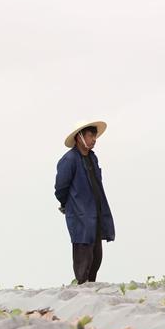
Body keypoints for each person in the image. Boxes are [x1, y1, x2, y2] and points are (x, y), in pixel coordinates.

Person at [55, 121, 116, 284]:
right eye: (90, 135)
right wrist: (69, 204)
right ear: (79, 137)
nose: (94, 139)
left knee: (96, 255)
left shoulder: (92, 158)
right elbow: (60, 187)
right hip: (79, 214)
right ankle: (81, 285)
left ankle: (91, 284)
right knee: (83, 254)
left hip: (95, 213)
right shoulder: (69, 159)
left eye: (94, 136)